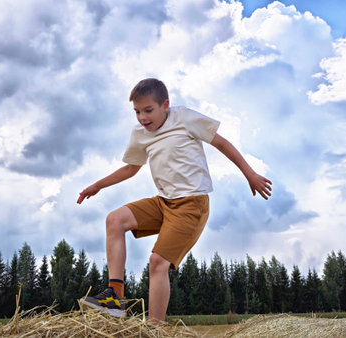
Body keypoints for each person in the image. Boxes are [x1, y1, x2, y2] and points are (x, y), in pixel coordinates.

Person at [77, 78, 272, 324]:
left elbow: (221, 143)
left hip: (192, 205)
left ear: (165, 105)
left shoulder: (184, 118)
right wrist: (97, 185)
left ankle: (154, 329)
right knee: (115, 220)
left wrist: (250, 174)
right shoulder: (140, 134)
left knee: (157, 262)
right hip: (163, 203)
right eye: (137, 112)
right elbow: (131, 168)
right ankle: (114, 297)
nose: (142, 118)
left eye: (148, 110)